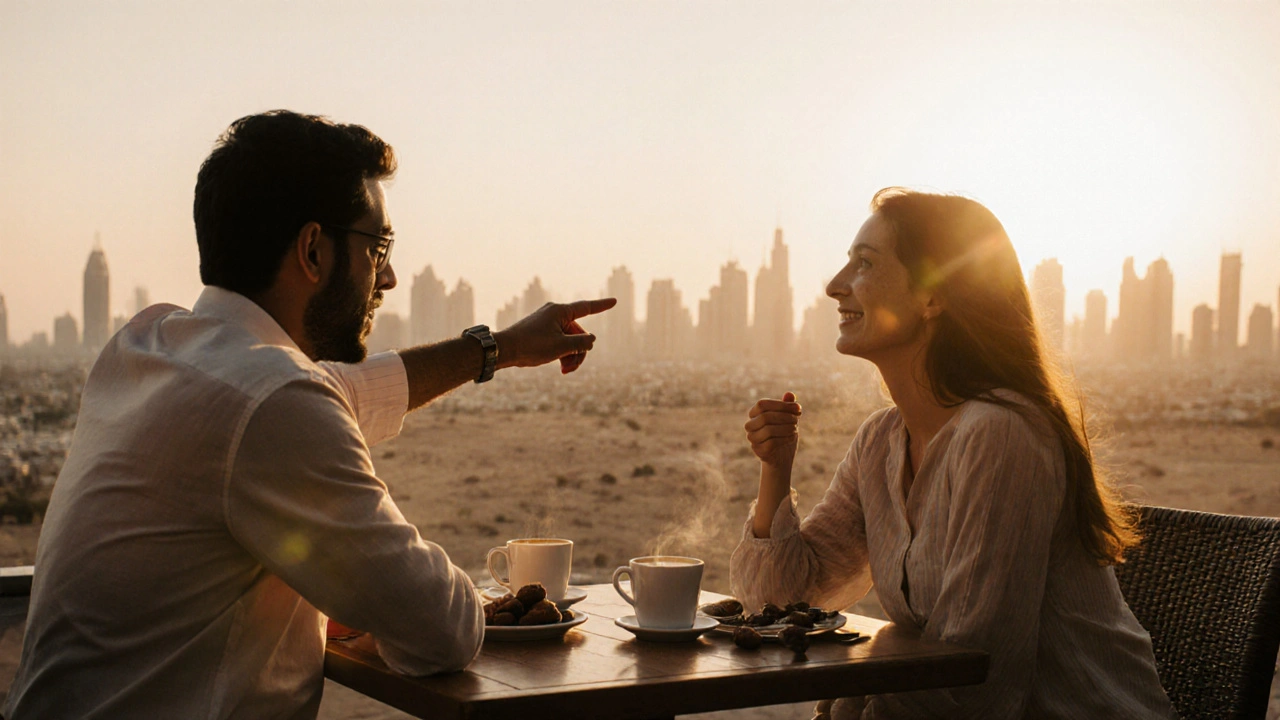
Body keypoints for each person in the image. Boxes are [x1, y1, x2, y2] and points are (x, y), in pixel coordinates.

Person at [4, 110, 614, 719]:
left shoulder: (146, 344)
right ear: (313, 250)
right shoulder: (271, 401)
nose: (389, 277)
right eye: (378, 248)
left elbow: (346, 391)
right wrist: (382, 598)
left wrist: (500, 347)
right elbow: (442, 628)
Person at [730, 188, 1176, 719]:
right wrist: (776, 469)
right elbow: (786, 602)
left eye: (865, 263)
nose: (834, 285)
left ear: (932, 297)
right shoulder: (880, 442)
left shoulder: (1001, 435)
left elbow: (973, 682)